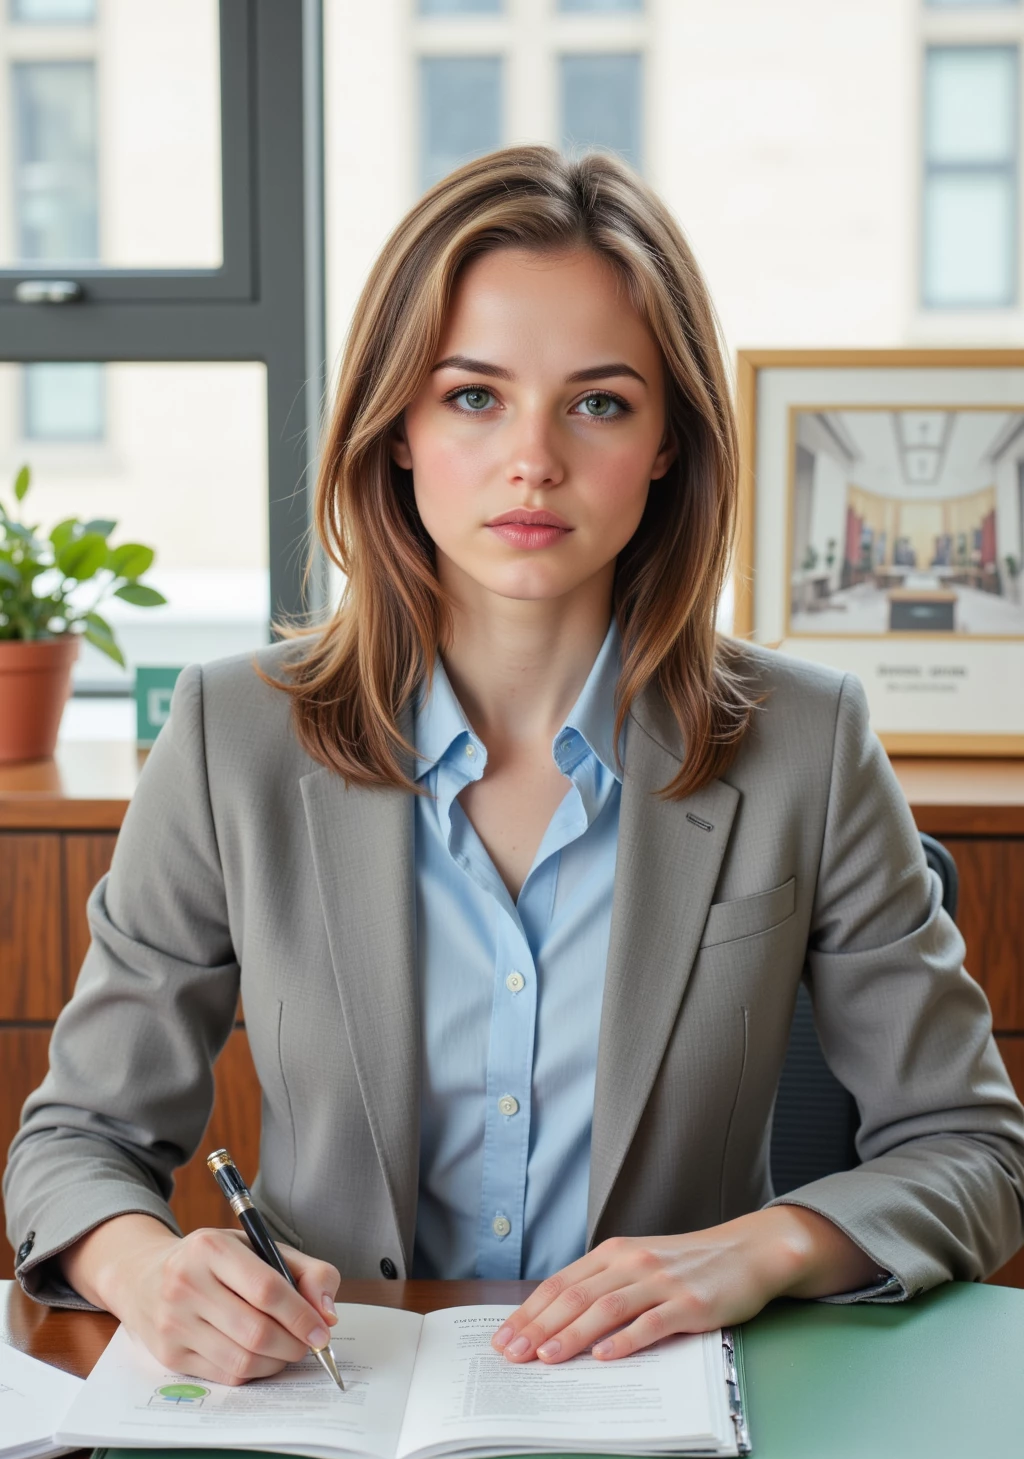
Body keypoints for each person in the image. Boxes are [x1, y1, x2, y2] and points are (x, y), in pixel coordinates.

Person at [5, 147, 1024, 1388]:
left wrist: (761, 1248)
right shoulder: (232, 737)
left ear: (665, 443)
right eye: (473, 396)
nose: (532, 460)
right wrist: (143, 1268)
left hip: (671, 1437)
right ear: (395, 427)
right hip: (322, 1419)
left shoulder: (806, 741)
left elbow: (971, 1147)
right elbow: (78, 1139)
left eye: (598, 402)